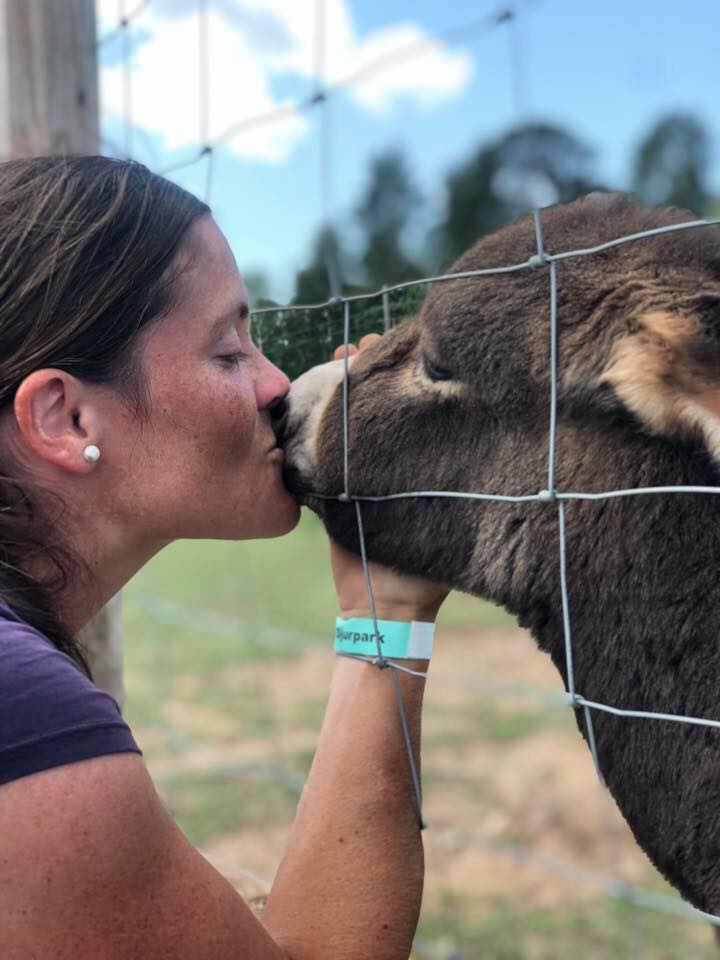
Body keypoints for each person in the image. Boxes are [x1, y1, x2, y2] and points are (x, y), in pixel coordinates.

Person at [0, 155, 448, 959]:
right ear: (65, 418)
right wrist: (387, 616)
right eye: (228, 350)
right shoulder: (22, 713)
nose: (277, 382)